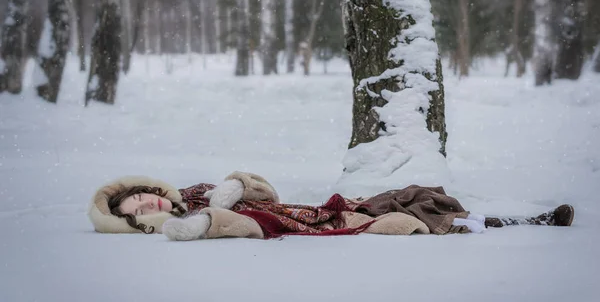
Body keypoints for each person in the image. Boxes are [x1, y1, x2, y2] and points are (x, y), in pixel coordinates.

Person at [88, 171, 575, 241]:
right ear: (134, 219)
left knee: (414, 196)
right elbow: (248, 225)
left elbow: (265, 197)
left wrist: (235, 184)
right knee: (404, 221)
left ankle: (518, 222)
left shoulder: (194, 191)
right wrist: (214, 219)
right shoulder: (173, 229)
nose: (148, 200)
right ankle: (522, 224)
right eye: (137, 206)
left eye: (143, 191)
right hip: (308, 230)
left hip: (312, 210)